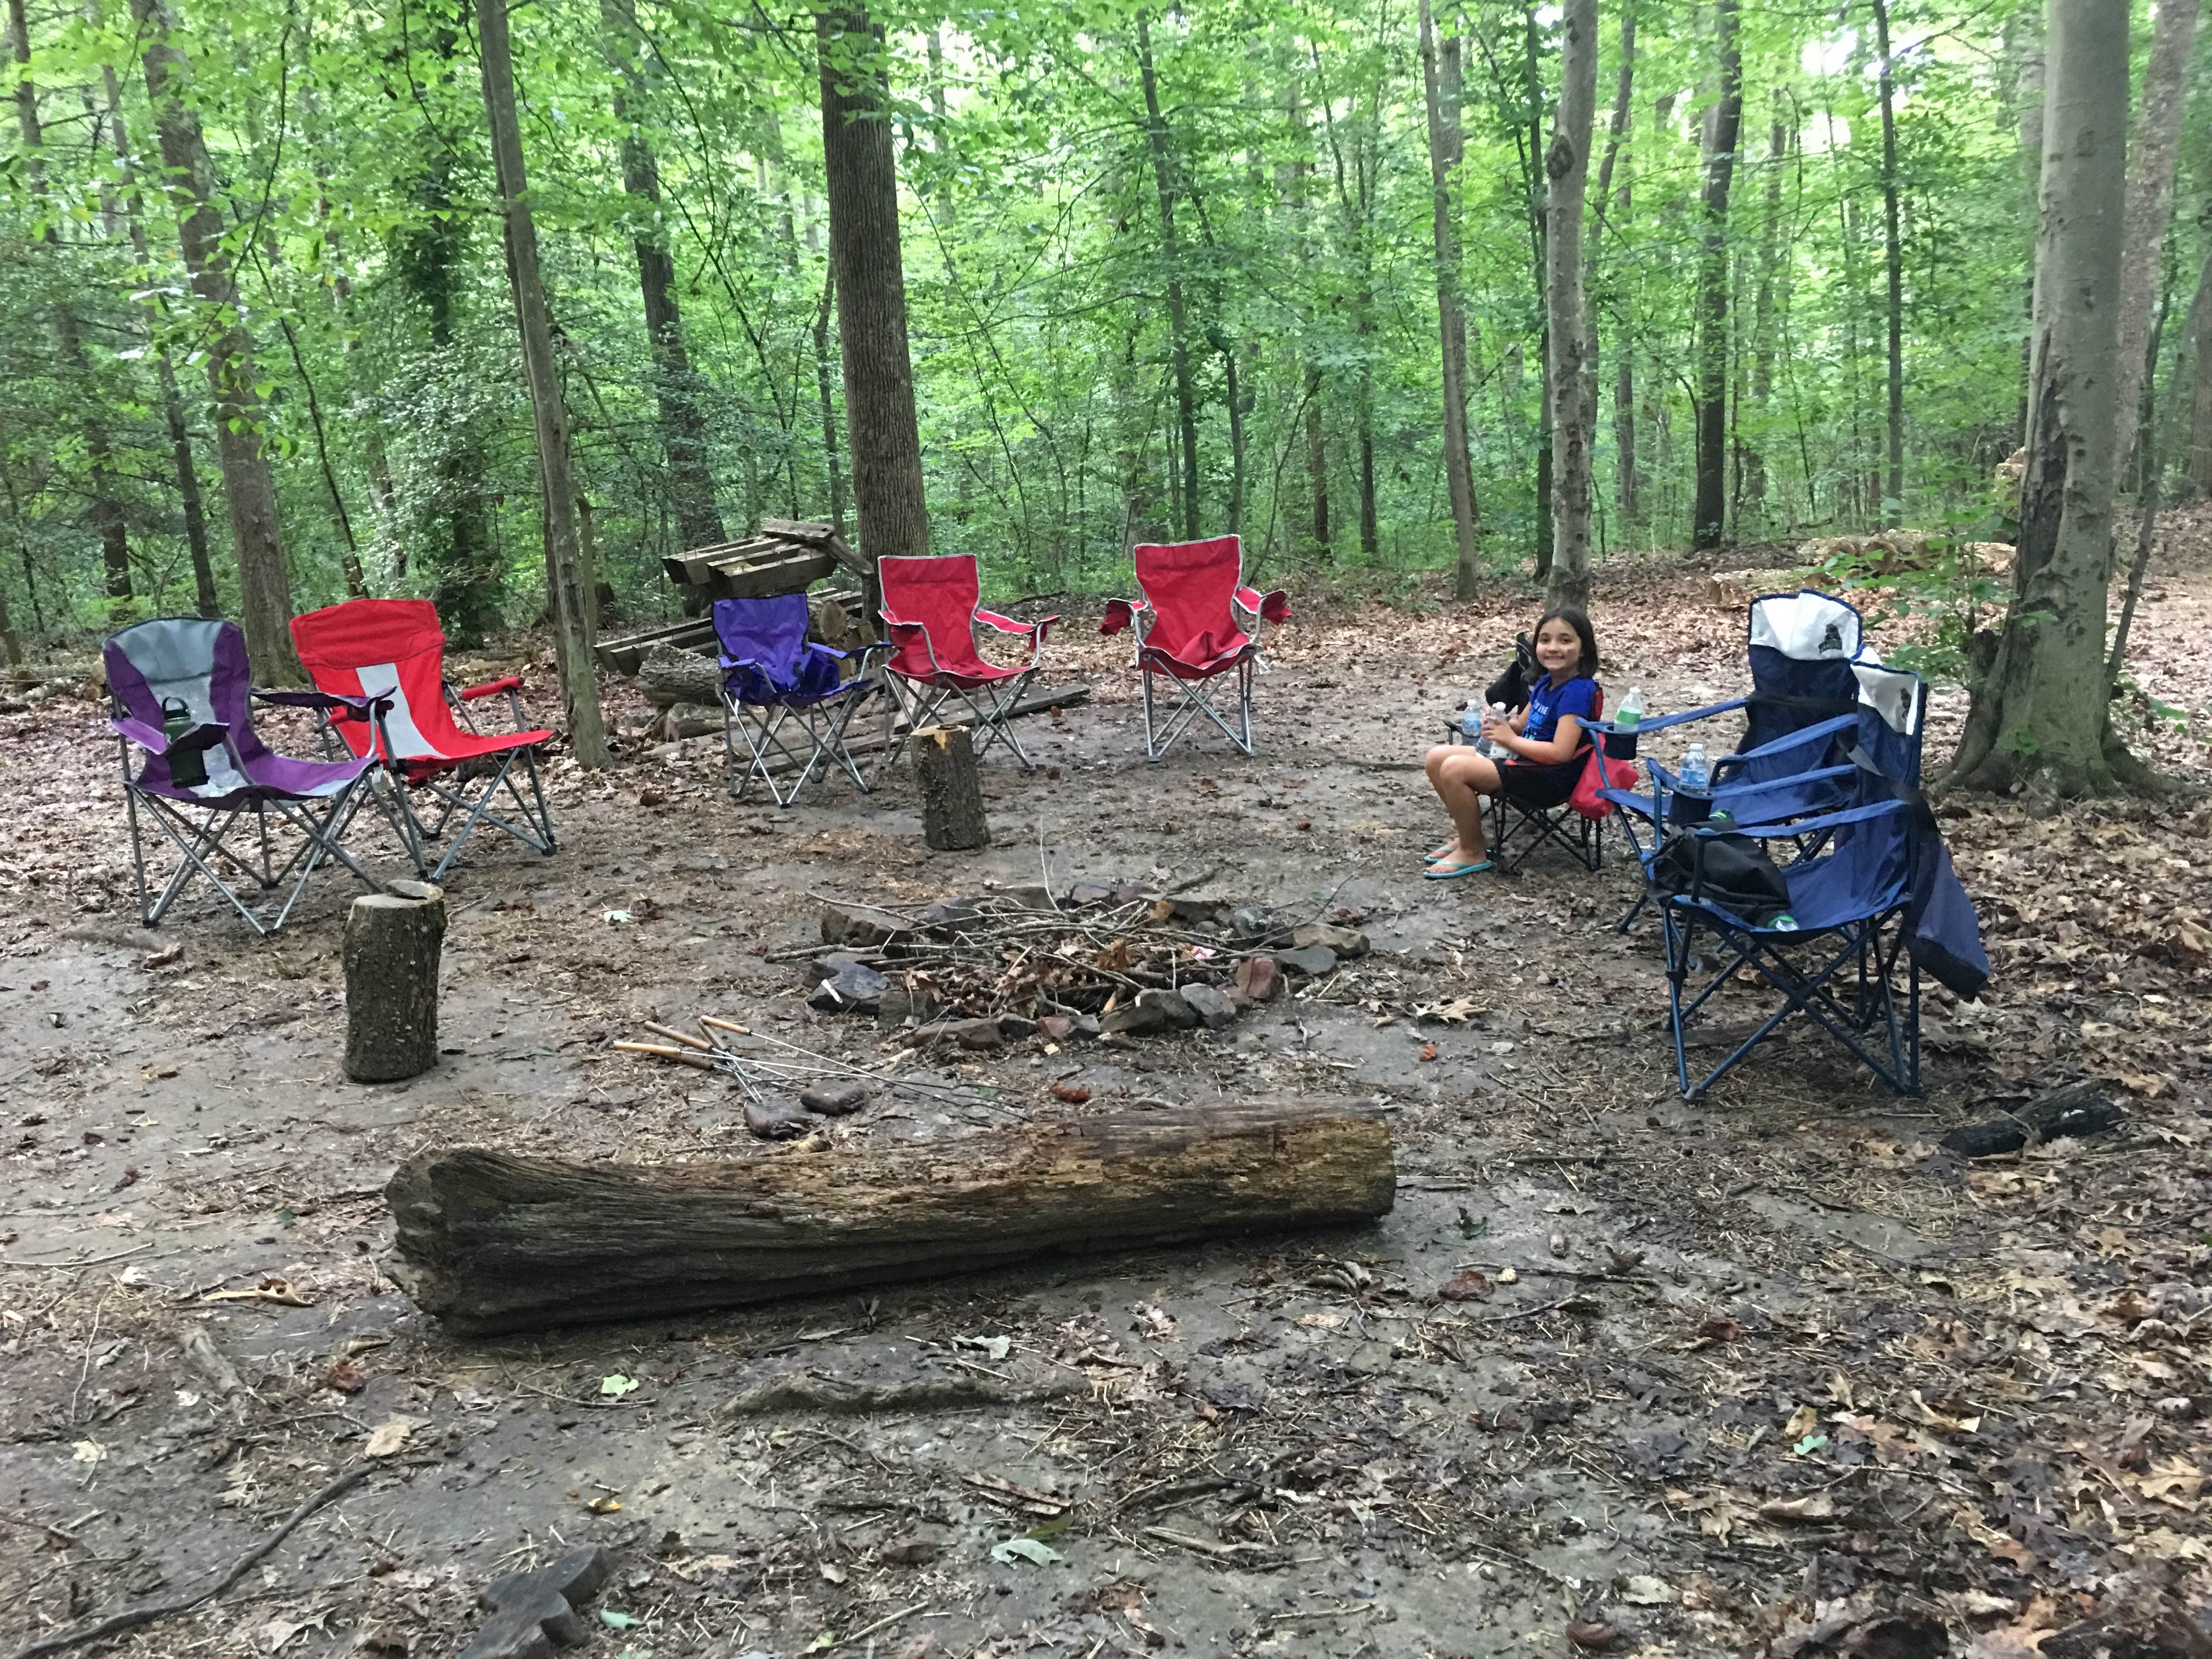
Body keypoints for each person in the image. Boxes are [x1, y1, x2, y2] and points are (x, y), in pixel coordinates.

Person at [1423, 607, 1601, 878]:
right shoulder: (1545, 683)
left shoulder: (1577, 691)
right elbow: (1520, 725)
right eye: (1545, 640)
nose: (1554, 648)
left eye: (1566, 640)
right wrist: (1499, 723)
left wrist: (1510, 740)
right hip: (1523, 760)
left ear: (1584, 648)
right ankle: (1468, 836)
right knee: (1437, 757)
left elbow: (1561, 753)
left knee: (1455, 769)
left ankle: (1473, 852)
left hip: (1549, 776)